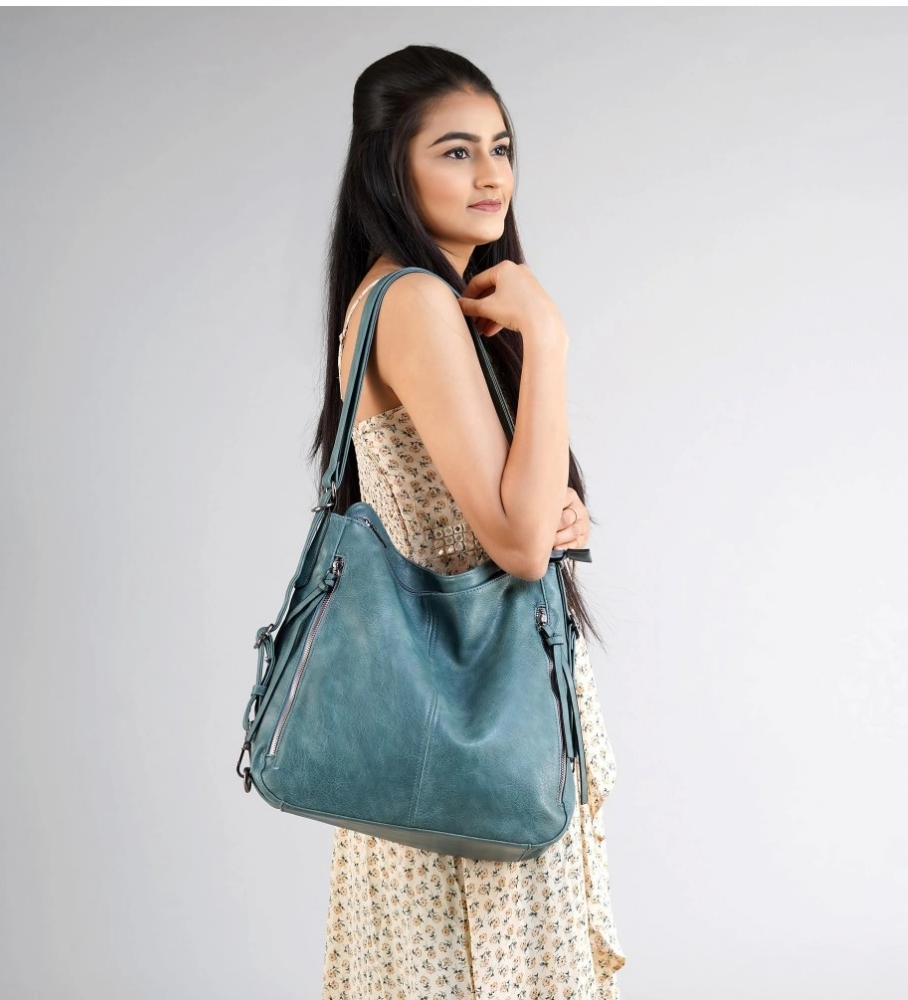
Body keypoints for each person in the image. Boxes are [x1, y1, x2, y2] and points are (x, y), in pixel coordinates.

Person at [310, 44, 626, 1000]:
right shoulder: (413, 301)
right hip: (472, 743)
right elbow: (517, 547)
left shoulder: (422, 300)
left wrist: (553, 510)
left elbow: (493, 515)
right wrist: (550, 340)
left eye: (501, 147)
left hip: (441, 735)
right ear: (389, 167)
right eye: (456, 151)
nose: (491, 174)